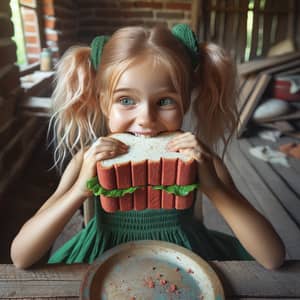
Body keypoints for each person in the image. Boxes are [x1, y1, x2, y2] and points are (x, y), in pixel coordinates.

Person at [11, 24, 285, 270]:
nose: (146, 120)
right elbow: (22, 256)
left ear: (185, 104)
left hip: (186, 258)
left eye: (165, 101)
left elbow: (272, 257)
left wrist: (213, 186)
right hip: (103, 260)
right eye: (126, 101)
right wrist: (80, 190)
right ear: (105, 102)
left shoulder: (200, 158)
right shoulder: (87, 159)